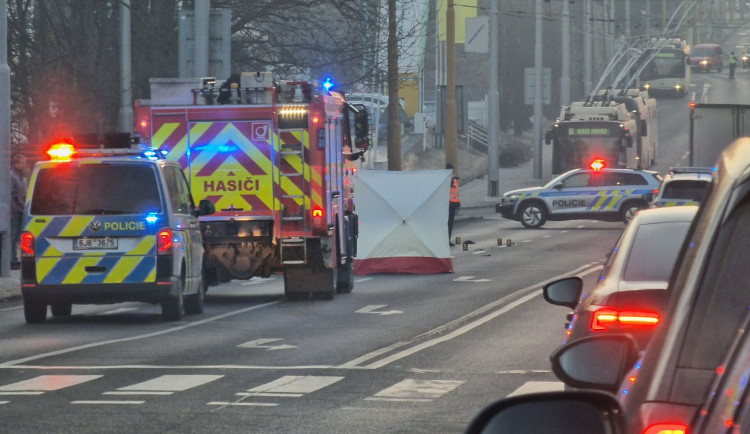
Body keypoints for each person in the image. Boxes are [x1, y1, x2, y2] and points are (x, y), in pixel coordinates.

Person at [10, 153, 28, 269]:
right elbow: (14, 195)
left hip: (21, 211)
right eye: (22, 162)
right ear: (16, 164)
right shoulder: (12, 176)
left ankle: (16, 258)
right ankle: (12, 260)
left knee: (19, 237)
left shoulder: (22, 177)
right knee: (13, 236)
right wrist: (23, 206)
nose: (24, 165)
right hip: (15, 212)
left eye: (25, 162)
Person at [447, 163, 460, 246]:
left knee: (450, 224)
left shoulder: (455, 179)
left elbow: (456, 193)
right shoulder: (444, 179)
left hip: (453, 205)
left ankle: (448, 240)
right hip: (446, 205)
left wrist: (458, 204)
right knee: (446, 224)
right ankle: (444, 240)